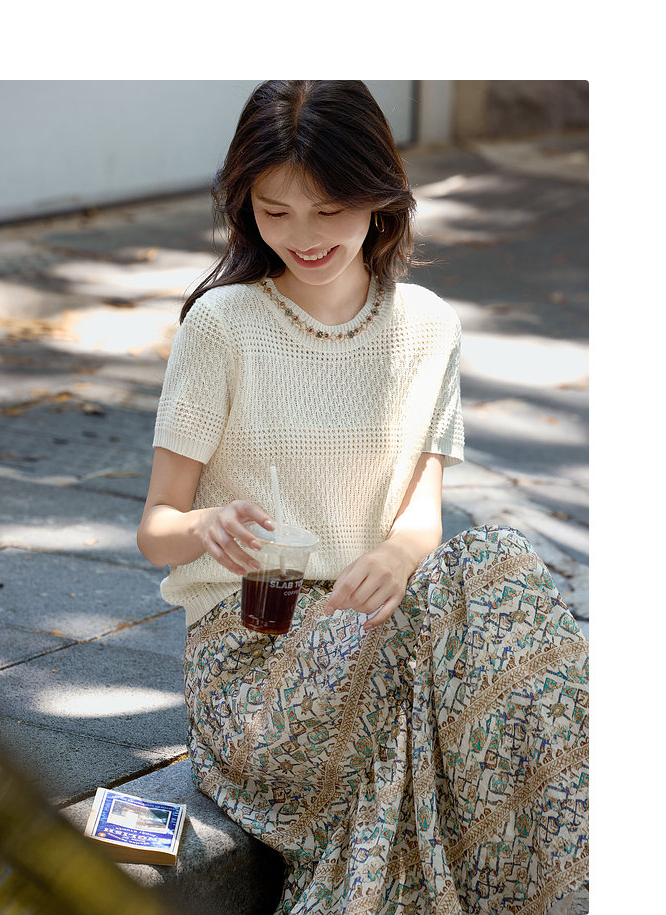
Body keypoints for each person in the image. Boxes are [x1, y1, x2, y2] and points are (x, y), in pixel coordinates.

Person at [137, 81, 588, 915]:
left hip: (376, 628)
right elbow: (156, 529)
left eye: (330, 209)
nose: (303, 237)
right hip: (256, 668)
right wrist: (206, 524)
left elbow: (423, 515)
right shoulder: (221, 326)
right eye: (275, 212)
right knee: (475, 650)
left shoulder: (428, 326)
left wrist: (398, 554)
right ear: (245, 207)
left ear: (380, 197)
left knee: (496, 569)